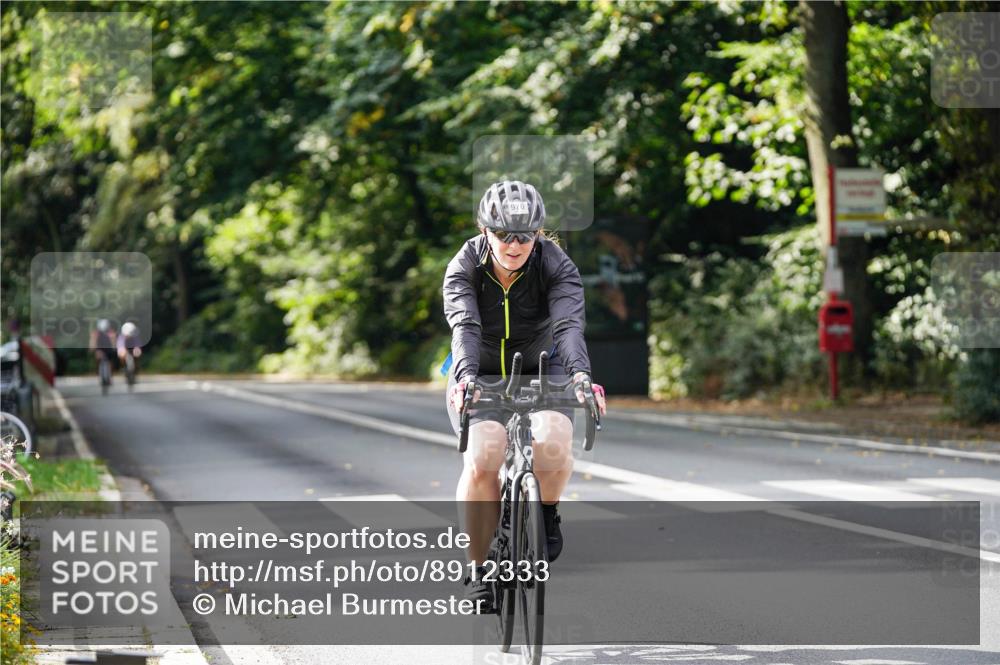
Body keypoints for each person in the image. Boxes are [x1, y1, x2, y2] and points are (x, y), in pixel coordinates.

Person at [442, 180, 607, 612]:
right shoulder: (464, 266)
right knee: (483, 457)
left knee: (553, 442)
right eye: (503, 235)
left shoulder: (555, 264)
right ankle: (479, 568)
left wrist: (581, 376)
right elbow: (465, 328)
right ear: (484, 229)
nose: (514, 245)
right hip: (478, 368)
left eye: (525, 235)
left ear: (538, 232)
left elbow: (569, 326)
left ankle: (546, 512)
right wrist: (464, 378)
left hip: (543, 363)